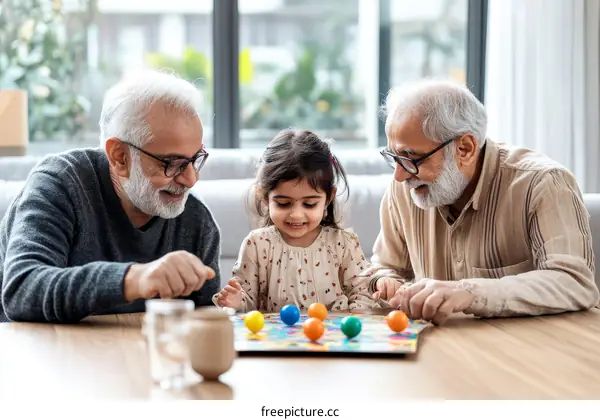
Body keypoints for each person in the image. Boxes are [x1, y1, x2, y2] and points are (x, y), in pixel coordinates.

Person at [369, 79, 600, 325]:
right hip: (444, 348)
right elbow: (385, 266)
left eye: (412, 158)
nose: (399, 175)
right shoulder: (404, 189)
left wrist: (469, 293)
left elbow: (574, 283)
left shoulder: (544, 184)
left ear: (465, 149)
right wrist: (386, 282)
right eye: (394, 156)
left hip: (535, 350)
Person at [0, 70, 220, 323]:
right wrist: (134, 278)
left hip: (136, 355)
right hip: (35, 353)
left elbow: (205, 322)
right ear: (119, 156)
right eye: (172, 163)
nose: (191, 179)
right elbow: (21, 291)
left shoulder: (195, 221)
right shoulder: (59, 185)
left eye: (195, 159)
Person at [214, 129, 374, 312]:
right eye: (283, 204)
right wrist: (236, 301)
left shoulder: (343, 243)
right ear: (265, 197)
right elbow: (249, 302)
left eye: (309, 204)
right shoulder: (257, 244)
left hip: (332, 337)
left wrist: (355, 318)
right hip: (276, 339)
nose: (296, 215)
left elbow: (363, 292)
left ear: (329, 198)